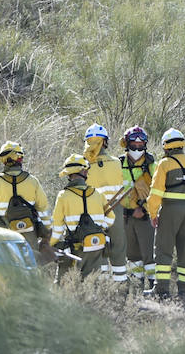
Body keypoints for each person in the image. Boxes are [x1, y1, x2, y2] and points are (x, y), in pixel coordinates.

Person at [146, 128, 185, 298]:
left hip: (170, 209)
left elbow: (155, 192)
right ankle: (184, 289)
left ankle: (161, 290)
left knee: (163, 248)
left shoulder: (165, 164)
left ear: (166, 146)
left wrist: (153, 214)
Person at [50, 154, 114, 282]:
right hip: (96, 246)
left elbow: (57, 227)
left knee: (65, 283)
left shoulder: (63, 196)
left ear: (69, 175)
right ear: (84, 171)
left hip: (74, 248)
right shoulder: (98, 194)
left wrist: (51, 244)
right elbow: (111, 219)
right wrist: (98, 228)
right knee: (92, 283)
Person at [0, 140, 50, 256]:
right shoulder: (32, 181)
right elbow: (43, 210)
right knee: (31, 265)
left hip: (4, 233)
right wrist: (47, 233)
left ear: (3, 161)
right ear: (20, 159)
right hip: (29, 233)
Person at [82, 123, 128, 284]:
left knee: (96, 246)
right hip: (115, 209)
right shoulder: (116, 162)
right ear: (105, 142)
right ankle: (120, 283)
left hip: (91, 212)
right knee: (118, 246)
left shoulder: (82, 165)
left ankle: (101, 284)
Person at [118, 125, 156, 293]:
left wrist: (144, 209)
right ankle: (137, 286)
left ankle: (155, 286)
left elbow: (157, 191)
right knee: (132, 255)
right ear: (127, 144)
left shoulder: (150, 164)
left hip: (144, 217)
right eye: (134, 143)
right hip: (125, 217)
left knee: (149, 253)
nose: (137, 147)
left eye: (141, 144)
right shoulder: (118, 164)